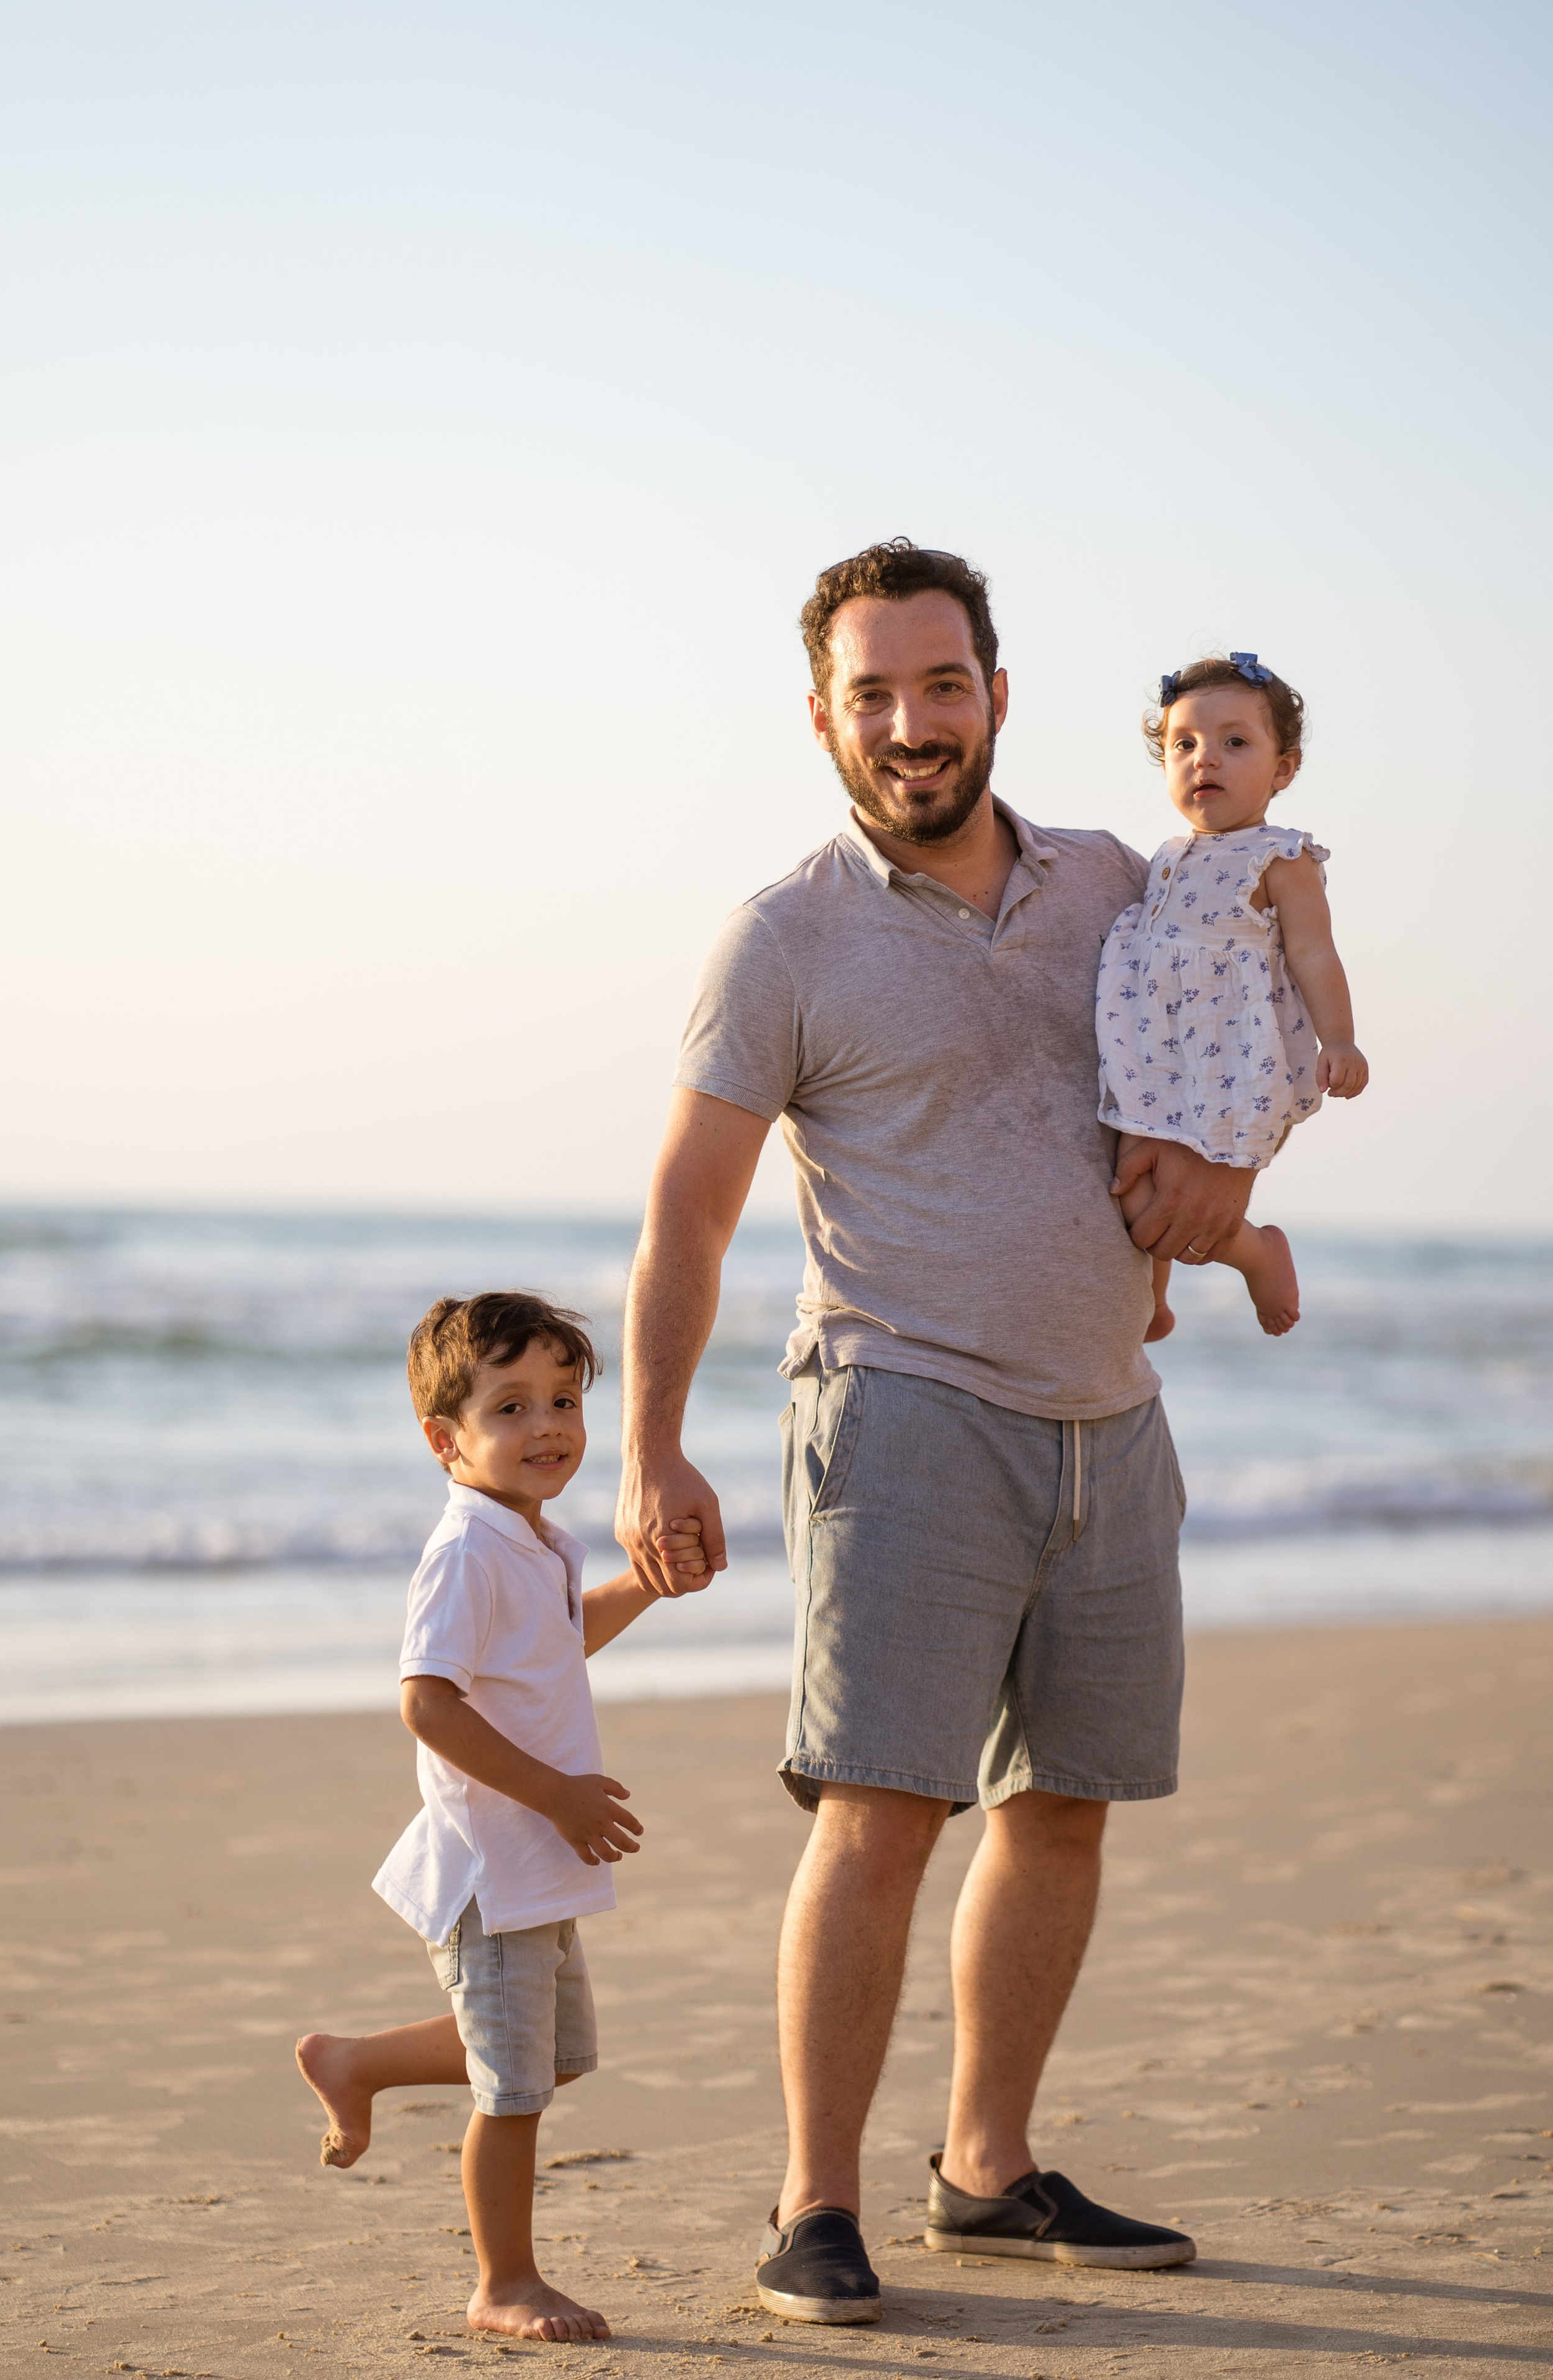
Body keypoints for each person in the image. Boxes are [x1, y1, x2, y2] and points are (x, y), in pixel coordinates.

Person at [616, 539, 1251, 2324]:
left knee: (1062, 1813)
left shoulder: (1119, 884)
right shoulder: (786, 938)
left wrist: (1231, 1176)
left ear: (995, 692)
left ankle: (987, 2169)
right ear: (824, 715)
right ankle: (816, 2204)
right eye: (873, 693)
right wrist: (649, 1448)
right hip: (901, 1415)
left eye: (943, 683)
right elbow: (686, 1218)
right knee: (880, 1816)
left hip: (1110, 1426)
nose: (913, 724)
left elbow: (1236, 1046)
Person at [295, 1290, 704, 2343]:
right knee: (515, 2090)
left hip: (540, 1863)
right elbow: (426, 1702)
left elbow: (558, 1643)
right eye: (511, 1407)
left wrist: (645, 1584)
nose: (549, 1427)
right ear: (447, 1439)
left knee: (551, 2059)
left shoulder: (542, 1544)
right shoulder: (468, 1551)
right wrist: (558, 1795)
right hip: (495, 1865)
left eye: (564, 1400)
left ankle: (358, 2062)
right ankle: (504, 2284)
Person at [1099, 653, 1368, 1340]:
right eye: (1182, 744)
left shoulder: (1279, 856)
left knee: (1169, 1185)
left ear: (1283, 768)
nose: (1203, 760)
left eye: (1234, 743)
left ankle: (1255, 1254)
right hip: (1156, 1049)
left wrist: (1339, 1039)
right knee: (1137, 1173)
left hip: (1228, 1055)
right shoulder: (1162, 857)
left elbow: (1313, 951)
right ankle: (1153, 1296)